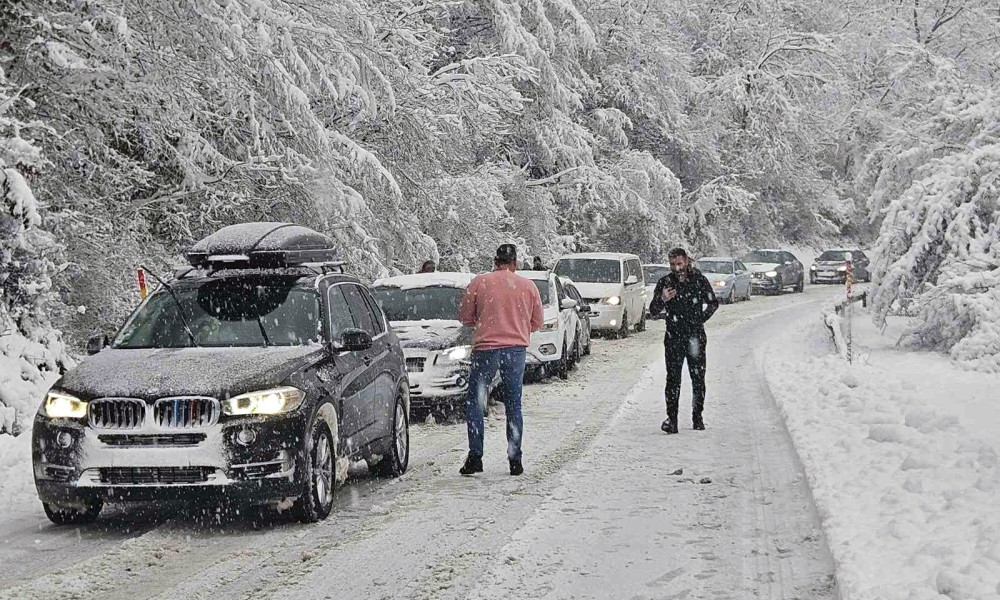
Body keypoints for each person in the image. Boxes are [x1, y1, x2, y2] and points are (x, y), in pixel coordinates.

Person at [457, 244, 544, 476]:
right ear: (515, 263)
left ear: (495, 261)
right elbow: (537, 322)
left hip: (486, 348)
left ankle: (475, 456)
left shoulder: (480, 282)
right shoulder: (528, 286)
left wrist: (485, 321)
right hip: (516, 349)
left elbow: (465, 317)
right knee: (513, 404)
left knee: (476, 402)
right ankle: (515, 458)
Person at [647, 247, 719, 434]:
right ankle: (672, 420)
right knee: (673, 379)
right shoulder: (666, 282)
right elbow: (653, 311)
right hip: (673, 337)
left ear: (686, 261)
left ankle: (698, 417)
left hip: (695, 337)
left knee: (698, 377)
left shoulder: (698, 280)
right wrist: (663, 299)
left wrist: (699, 319)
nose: (676, 268)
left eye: (679, 264)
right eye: (672, 264)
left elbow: (713, 303)